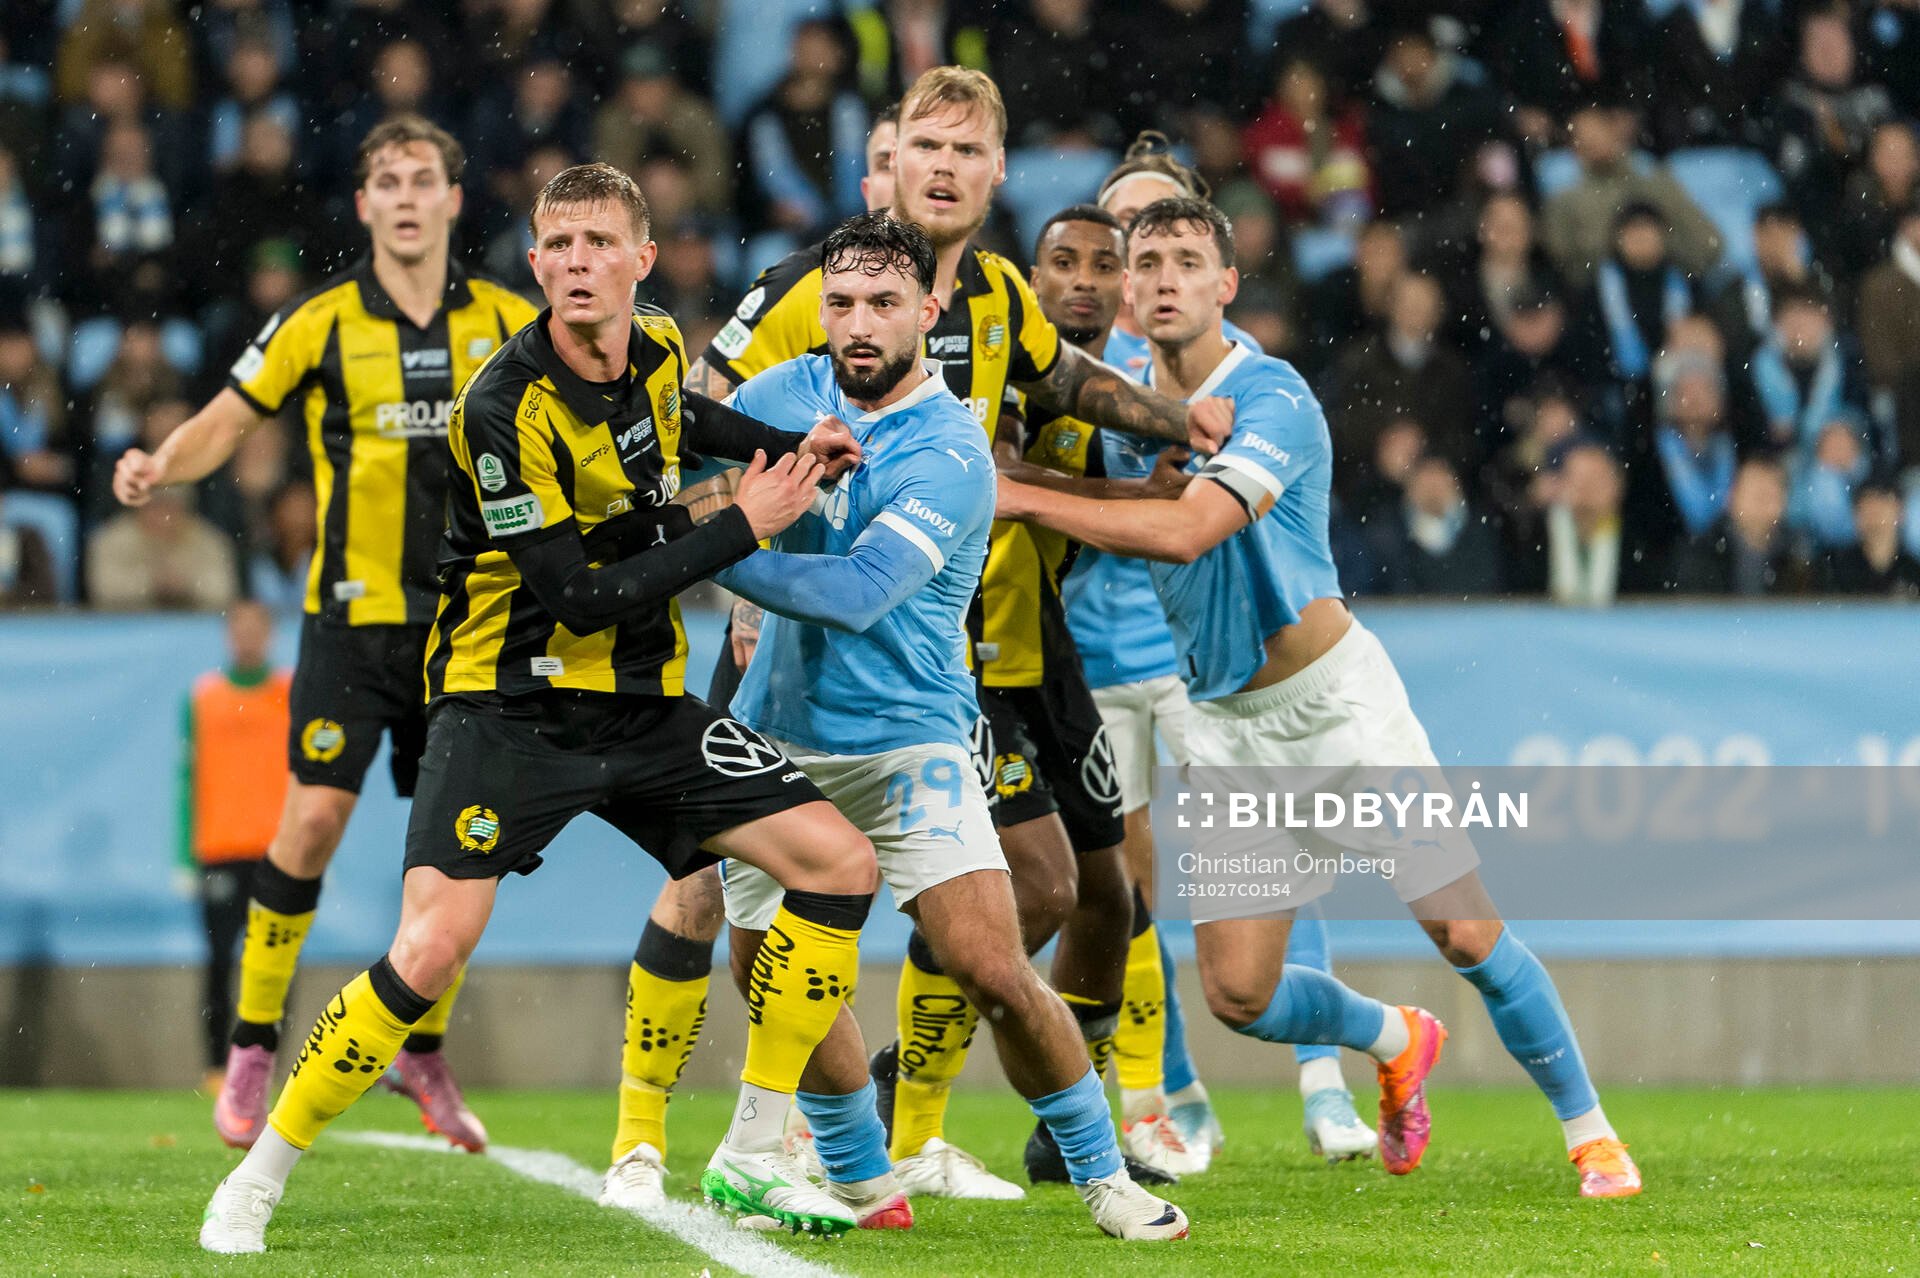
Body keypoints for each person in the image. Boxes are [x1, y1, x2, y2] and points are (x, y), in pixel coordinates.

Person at [198, 162, 885, 1254]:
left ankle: (754, 1146)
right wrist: (745, 524)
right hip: (506, 708)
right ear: (535, 266)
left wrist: (784, 449)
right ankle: (260, 1176)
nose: (576, 263)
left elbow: (687, 414)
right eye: (557, 245)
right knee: (426, 952)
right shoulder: (499, 406)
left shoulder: (655, 344)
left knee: (842, 865)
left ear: (641, 261)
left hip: (643, 705)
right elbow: (579, 592)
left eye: (599, 242)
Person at [609, 66, 1230, 1202]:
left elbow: (1068, 381)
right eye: (923, 147)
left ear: (996, 174)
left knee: (1054, 898)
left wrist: (1171, 418)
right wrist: (704, 538)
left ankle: (916, 1130)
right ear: (886, 164)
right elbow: (700, 410)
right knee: (709, 889)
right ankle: (651, 1144)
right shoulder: (808, 290)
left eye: (965, 151)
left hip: (966, 645)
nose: (942, 169)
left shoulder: (996, 296)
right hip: (785, 642)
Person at [997, 197, 1643, 1200]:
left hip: (1337, 709)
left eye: (1186, 261)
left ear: (1226, 286)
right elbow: (1107, 507)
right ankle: (1397, 1038)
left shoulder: (1274, 395)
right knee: (1240, 996)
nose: (1164, 277)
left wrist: (1019, 487)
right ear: (1127, 292)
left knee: (1464, 932)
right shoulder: (1124, 412)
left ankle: (1591, 1133)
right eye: (1148, 263)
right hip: (1221, 726)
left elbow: (1185, 530)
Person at [707, 211, 1186, 1240]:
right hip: (777, 738)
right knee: (767, 974)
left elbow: (857, 591)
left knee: (992, 967)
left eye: (884, 303)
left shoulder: (953, 449)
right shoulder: (776, 396)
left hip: (909, 742)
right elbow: (696, 464)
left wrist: (712, 550)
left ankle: (1106, 1180)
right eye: (841, 303)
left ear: (927, 309)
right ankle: (859, 1174)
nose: (859, 324)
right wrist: (713, 516)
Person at [113, 116, 539, 1154]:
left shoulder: (509, 320)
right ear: (363, 205)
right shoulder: (322, 320)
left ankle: (421, 1049)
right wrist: (163, 462)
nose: (403, 195)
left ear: (450, 197)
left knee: (459, 861)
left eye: (421, 178)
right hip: (350, 622)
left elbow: (589, 402)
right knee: (304, 830)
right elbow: (232, 411)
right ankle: (253, 1048)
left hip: (469, 629)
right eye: (385, 179)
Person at [1080, 141, 1377, 1170]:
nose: (1146, 256)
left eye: (1164, 230)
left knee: (1270, 861)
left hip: (1201, 652)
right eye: (1126, 234)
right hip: (1097, 650)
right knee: (1131, 889)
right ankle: (1174, 1093)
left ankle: (1326, 1085)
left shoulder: (1232, 369)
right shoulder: (1076, 363)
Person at [180, 602, 291, 1092]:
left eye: (255, 630)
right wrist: (183, 856)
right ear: (229, 636)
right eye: (239, 630)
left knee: (273, 964)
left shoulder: (291, 692)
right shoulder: (203, 697)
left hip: (279, 852)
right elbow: (185, 779)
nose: (247, 639)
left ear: (269, 635)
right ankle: (215, 1066)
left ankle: (262, 1064)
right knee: (219, 962)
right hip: (220, 848)